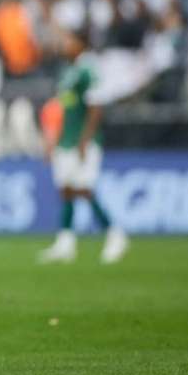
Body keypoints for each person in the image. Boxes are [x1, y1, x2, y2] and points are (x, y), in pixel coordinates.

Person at [39, 29, 129, 264]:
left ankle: (114, 234)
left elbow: (96, 107)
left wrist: (85, 140)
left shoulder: (89, 68)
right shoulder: (69, 70)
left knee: (85, 189)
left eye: (69, 40)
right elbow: (62, 109)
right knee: (66, 190)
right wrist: (54, 139)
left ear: (81, 42)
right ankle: (66, 243)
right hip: (65, 140)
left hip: (82, 141)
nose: (64, 44)